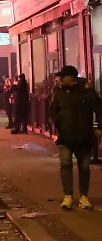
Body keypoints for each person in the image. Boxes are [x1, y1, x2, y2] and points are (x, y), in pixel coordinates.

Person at [50, 65, 102, 210]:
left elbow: (99, 108)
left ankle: (84, 196)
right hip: (65, 136)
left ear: (71, 77)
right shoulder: (59, 92)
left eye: (62, 76)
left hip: (83, 135)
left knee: (84, 167)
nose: (60, 79)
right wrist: (58, 124)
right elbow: (52, 110)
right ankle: (68, 195)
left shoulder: (87, 91)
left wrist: (99, 128)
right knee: (65, 164)